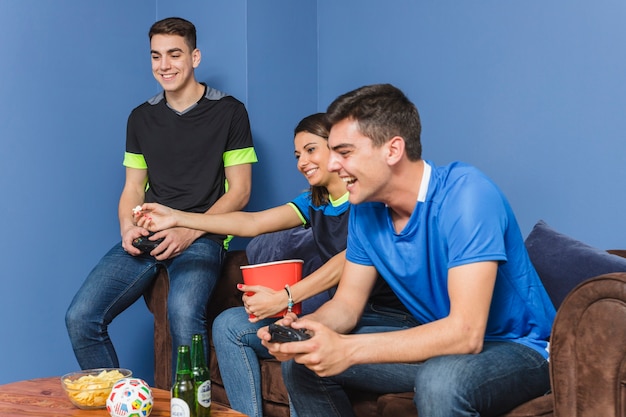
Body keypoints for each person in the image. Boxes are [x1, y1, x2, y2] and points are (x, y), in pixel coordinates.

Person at [259, 84, 557, 417]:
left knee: (440, 380)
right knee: (305, 364)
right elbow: (346, 306)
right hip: (441, 344)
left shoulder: (468, 195)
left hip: (520, 347)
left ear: (393, 149)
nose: (333, 164)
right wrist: (307, 331)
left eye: (344, 152)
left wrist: (347, 348)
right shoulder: (365, 210)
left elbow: (466, 333)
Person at [135, 112, 416, 417]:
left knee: (302, 352)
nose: (302, 162)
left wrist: (285, 298)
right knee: (229, 325)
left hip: (386, 317)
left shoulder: (368, 199)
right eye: (297, 155)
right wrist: (178, 217)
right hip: (342, 312)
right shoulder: (314, 202)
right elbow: (253, 222)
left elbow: (346, 260)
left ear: (336, 148)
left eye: (311, 149)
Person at [65, 17, 257, 375]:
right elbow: (133, 189)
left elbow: (241, 190)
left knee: (183, 313)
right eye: (156, 56)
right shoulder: (140, 118)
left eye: (174, 54)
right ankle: (122, 402)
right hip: (148, 232)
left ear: (195, 57)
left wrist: (189, 230)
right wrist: (127, 227)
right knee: (81, 317)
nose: (164, 66)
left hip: (201, 236)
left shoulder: (231, 112)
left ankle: (190, 410)